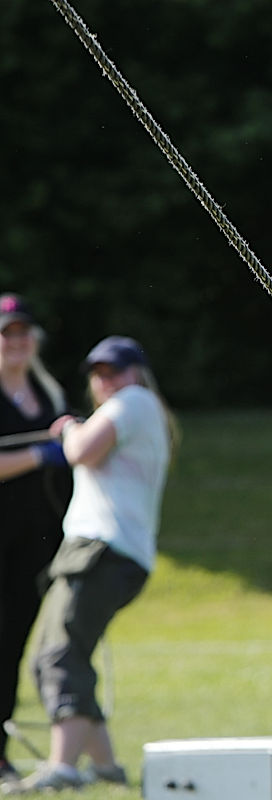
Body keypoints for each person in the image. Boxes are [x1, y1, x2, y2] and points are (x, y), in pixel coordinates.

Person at [8, 336, 172, 794]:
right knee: (56, 652)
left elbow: (80, 451)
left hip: (101, 549)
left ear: (137, 373)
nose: (106, 381)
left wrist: (67, 430)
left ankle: (62, 766)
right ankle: (105, 767)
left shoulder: (134, 401)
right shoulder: (135, 410)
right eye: (98, 374)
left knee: (60, 654)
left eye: (114, 370)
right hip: (108, 551)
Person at [0, 294, 72, 789]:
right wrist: (40, 455)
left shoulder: (48, 393)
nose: (17, 341)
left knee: (15, 646)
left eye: (23, 332)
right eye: (7, 333)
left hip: (37, 545)